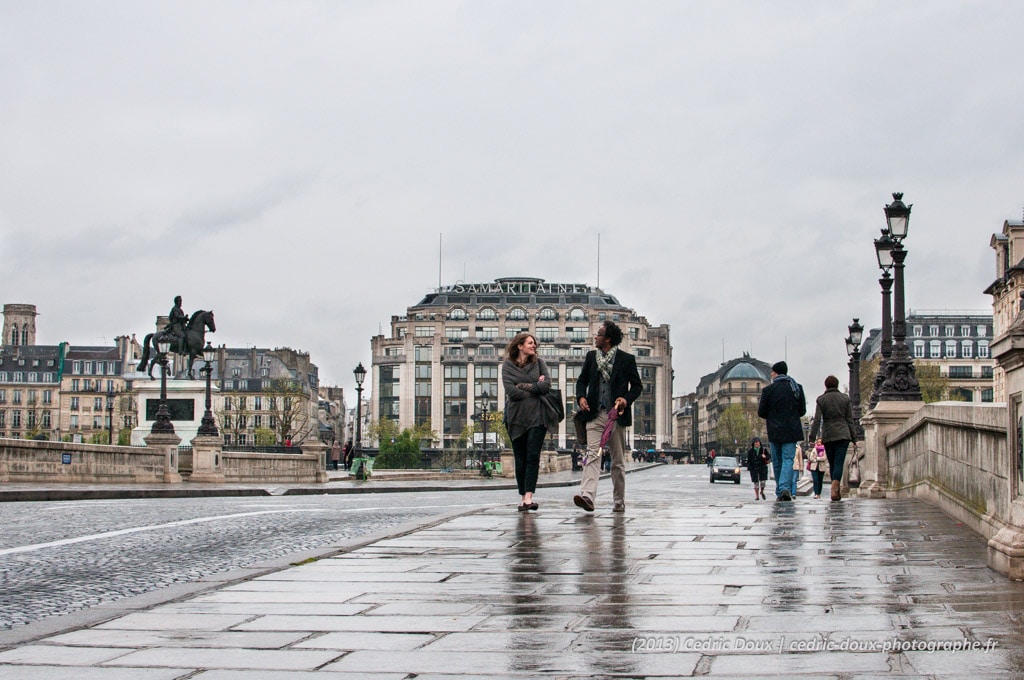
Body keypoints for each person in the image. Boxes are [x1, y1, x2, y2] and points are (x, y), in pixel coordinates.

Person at [573, 320, 643, 513]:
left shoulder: (626, 359)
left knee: (618, 462)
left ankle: (619, 501)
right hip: (594, 415)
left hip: (616, 417)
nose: (595, 337)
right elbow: (581, 381)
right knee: (592, 455)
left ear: (608, 339)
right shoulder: (591, 357)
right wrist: (581, 398)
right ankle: (587, 496)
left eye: (599, 334)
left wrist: (625, 399)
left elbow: (637, 387)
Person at [502, 332, 552, 512]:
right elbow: (510, 391)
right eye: (530, 343)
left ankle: (529, 497)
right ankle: (522, 496)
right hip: (515, 418)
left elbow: (546, 386)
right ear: (520, 346)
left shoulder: (539, 363)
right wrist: (534, 386)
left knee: (533, 455)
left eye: (535, 344)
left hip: (538, 416)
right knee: (520, 458)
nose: (534, 346)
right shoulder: (507, 366)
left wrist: (522, 385)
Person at [758, 361, 806, 502]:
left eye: (772, 372)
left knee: (777, 461)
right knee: (788, 460)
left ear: (776, 373)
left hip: (774, 430)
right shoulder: (796, 388)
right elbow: (802, 410)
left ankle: (782, 488)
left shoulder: (768, 390)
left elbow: (761, 412)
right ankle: (783, 489)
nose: (771, 375)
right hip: (791, 430)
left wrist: (773, 417)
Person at [808, 374, 858, 501]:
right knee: (839, 463)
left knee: (832, 462)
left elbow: (817, 420)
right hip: (843, 434)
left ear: (826, 386)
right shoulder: (845, 399)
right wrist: (854, 437)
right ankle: (836, 487)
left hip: (829, 435)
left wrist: (812, 437)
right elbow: (849, 420)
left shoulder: (821, 399)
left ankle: (834, 487)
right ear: (837, 385)